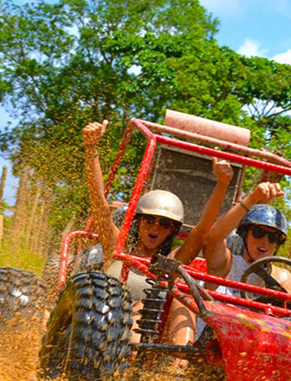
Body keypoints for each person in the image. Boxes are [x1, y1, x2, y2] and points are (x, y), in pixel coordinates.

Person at [83, 120, 234, 344]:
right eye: (150, 220)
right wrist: (91, 149)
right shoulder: (117, 247)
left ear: (172, 230)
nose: (155, 227)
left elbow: (202, 230)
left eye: (164, 224)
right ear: (139, 221)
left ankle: (174, 371)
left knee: (181, 299)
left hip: (136, 340)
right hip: (95, 328)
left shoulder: (170, 264)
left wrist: (222, 184)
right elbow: (99, 203)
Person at [204, 182, 291, 297]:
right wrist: (253, 198)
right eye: (259, 232)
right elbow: (214, 237)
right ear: (245, 234)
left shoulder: (281, 278)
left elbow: (290, 312)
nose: (265, 241)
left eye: (273, 237)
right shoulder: (226, 264)